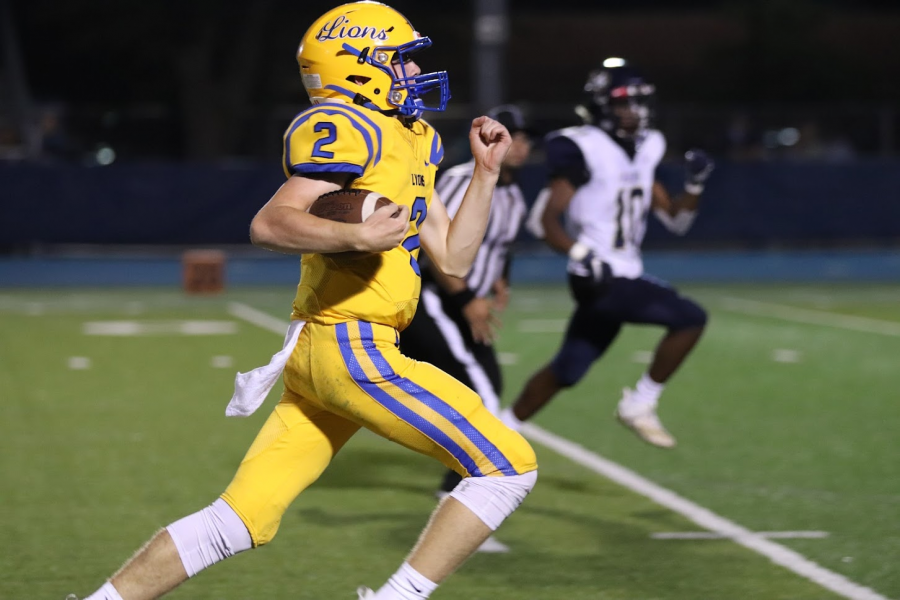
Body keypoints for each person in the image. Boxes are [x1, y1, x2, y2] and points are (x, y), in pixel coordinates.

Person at [72, 4, 537, 600]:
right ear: (358, 66)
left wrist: (485, 175)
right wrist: (353, 234)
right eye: (399, 58)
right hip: (352, 347)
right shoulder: (349, 126)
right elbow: (270, 223)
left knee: (241, 518)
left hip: (326, 353)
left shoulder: (415, 137)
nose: (413, 69)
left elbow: (454, 259)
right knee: (508, 463)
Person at [500, 58, 714, 449]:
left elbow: (675, 220)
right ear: (601, 104)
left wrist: (695, 185)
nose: (635, 111)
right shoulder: (580, 145)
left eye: (639, 102)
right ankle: (641, 403)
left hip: (623, 273)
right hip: (597, 275)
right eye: (624, 102)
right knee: (690, 317)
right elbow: (544, 221)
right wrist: (581, 252)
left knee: (568, 369)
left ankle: (498, 431)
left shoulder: (650, 145)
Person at [399, 104, 533, 553]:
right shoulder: (459, 179)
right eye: (513, 134)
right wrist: (465, 298)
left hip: (466, 304)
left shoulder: (514, 193)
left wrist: (499, 282)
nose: (522, 144)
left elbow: (499, 244)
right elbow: (435, 242)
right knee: (483, 395)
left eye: (526, 136)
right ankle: (463, 497)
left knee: (488, 387)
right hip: (437, 299)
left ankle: (455, 491)